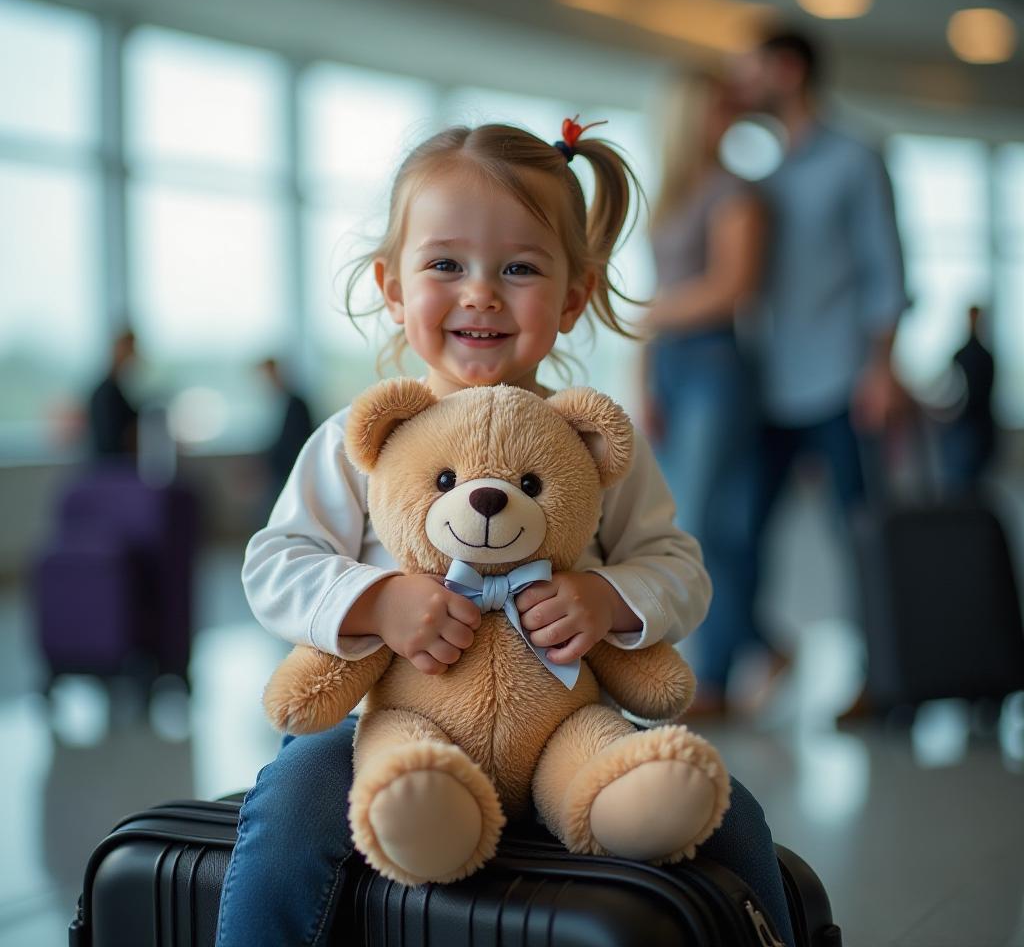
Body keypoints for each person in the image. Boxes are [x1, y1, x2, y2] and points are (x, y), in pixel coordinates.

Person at [215, 122, 796, 947]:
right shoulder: (363, 437)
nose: (481, 292)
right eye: (445, 264)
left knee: (728, 811)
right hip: (387, 726)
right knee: (295, 797)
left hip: (562, 727)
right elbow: (275, 562)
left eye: (519, 268)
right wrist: (374, 602)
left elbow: (678, 564)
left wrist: (608, 598)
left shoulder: (593, 443)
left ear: (571, 296)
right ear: (392, 285)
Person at [730, 28, 909, 710]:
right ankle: (763, 646)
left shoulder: (857, 156)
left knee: (858, 534)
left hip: (842, 378)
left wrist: (881, 368)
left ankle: (883, 676)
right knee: (740, 528)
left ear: (788, 69)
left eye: (749, 68)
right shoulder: (767, 173)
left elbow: (884, 268)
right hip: (771, 385)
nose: (740, 82)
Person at [641, 71, 770, 714]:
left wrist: (654, 313)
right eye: (719, 104)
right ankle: (758, 645)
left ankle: (714, 674)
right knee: (703, 521)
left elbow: (733, 286)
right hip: (669, 366)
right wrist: (641, 382)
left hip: (716, 366)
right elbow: (649, 301)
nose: (730, 116)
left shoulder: (735, 192)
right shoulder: (671, 194)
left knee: (700, 521)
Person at [938, 305, 997, 493]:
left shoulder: (984, 356)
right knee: (962, 488)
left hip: (978, 427)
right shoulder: (962, 356)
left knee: (972, 486)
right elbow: (949, 394)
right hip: (964, 427)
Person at [257, 357, 314, 509]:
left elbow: (297, 440)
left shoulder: (296, 403)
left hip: (290, 471)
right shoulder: (277, 403)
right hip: (277, 471)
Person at [86, 328, 139, 460]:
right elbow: (110, 440)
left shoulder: (115, 391)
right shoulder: (107, 394)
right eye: (131, 350)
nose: (134, 356)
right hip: (112, 468)